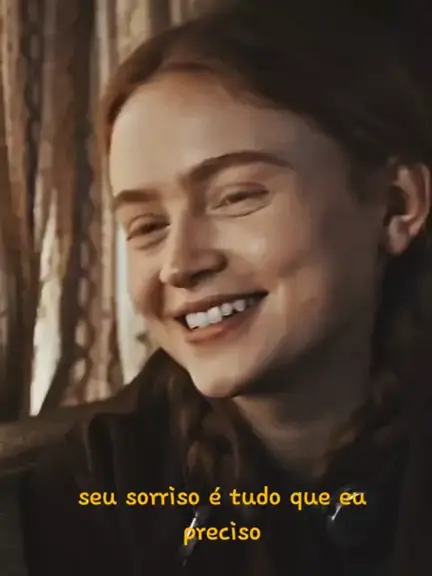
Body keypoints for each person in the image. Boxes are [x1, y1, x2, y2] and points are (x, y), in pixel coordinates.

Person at [14, 0, 432, 574]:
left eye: (236, 197)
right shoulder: (100, 476)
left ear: (396, 205)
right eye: (147, 226)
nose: (179, 264)